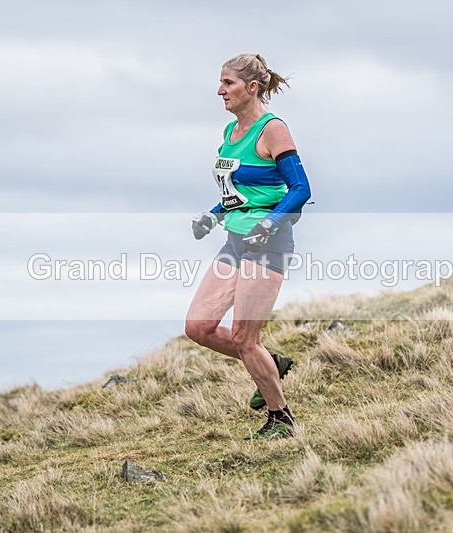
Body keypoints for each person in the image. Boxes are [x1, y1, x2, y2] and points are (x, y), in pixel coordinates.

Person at [185, 53, 312, 440]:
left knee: (244, 338)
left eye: (228, 83)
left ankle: (281, 419)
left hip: (268, 244)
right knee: (198, 326)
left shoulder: (272, 129)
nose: (220, 90)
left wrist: (270, 222)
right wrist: (213, 215)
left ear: (251, 88)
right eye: (220, 82)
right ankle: (270, 362)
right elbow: (236, 192)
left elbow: (301, 189)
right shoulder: (230, 133)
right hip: (235, 239)